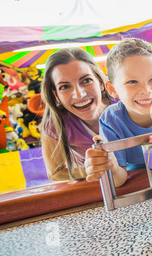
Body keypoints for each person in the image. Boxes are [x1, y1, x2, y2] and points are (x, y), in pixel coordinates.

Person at [83, 38, 152, 187]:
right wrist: (111, 166)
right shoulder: (111, 120)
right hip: (137, 186)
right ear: (112, 89)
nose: (146, 90)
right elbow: (118, 180)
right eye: (132, 82)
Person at [40, 48, 117, 182]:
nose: (79, 94)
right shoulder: (55, 124)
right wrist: (90, 170)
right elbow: (55, 172)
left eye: (86, 80)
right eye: (64, 87)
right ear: (56, 95)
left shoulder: (125, 102)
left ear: (100, 82)